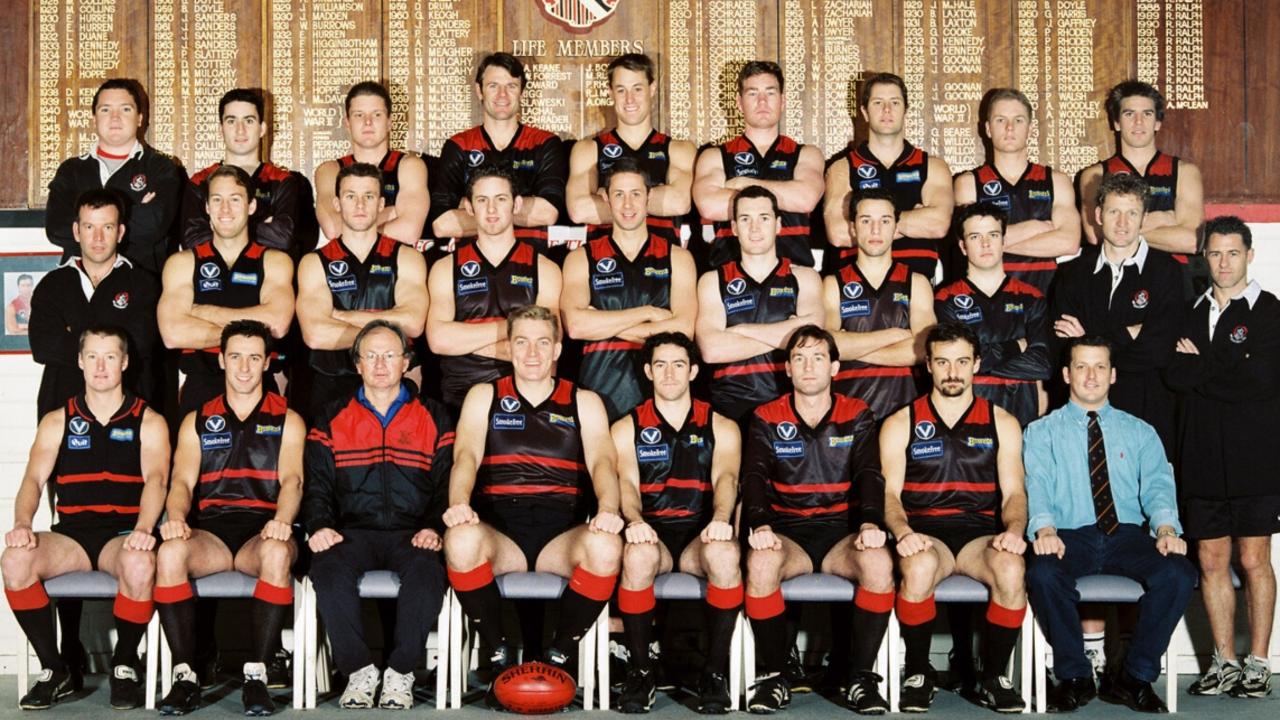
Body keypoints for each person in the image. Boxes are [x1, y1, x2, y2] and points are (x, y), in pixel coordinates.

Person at [443, 305, 623, 691]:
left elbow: (604, 463)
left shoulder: (584, 400)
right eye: (521, 342)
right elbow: (466, 456)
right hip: (501, 531)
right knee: (460, 540)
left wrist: (608, 508)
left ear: (558, 349)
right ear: (508, 347)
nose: (532, 353)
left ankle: (559, 653)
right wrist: (459, 502)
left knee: (606, 546)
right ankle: (498, 651)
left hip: (560, 533)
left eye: (543, 343)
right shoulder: (484, 395)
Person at [1023, 337, 1196, 714]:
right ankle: (1074, 677)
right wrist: (1045, 530)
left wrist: (1166, 529)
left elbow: (1157, 486)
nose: (1091, 376)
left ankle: (1134, 677)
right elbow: (1037, 484)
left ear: (1113, 375)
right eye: (1082, 366)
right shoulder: (1040, 432)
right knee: (1043, 574)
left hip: (1126, 536)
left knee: (1179, 573)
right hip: (1069, 535)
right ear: (1066, 374)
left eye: (1100, 367)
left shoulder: (1141, 431)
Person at [2, 326, 169, 710]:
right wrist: (23, 523)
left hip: (123, 533)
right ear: (79, 361)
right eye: (92, 356)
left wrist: (145, 528)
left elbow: (158, 480)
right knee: (14, 560)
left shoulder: (149, 420)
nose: (100, 366)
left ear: (124, 363)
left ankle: (124, 664)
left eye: (110, 357)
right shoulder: (58, 419)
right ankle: (55, 668)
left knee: (141, 563)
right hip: (73, 535)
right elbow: (32, 478)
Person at [152, 320, 303, 716]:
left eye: (254, 358)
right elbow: (182, 481)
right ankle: (186, 675)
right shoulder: (197, 419)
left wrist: (283, 520)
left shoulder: (289, 418)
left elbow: (293, 481)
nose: (244, 368)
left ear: (268, 363)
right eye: (235, 357)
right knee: (169, 555)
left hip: (264, 530)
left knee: (275, 554)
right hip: (213, 534)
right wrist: (175, 517)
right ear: (220, 360)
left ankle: (257, 675)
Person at [740, 325, 893, 715]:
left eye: (818, 358)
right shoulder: (765, 416)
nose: (808, 367)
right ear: (787, 369)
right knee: (760, 563)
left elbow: (870, 474)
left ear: (835, 367)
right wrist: (759, 525)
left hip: (841, 532)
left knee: (877, 562)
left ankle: (860, 678)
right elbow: (754, 476)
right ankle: (774, 677)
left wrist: (872, 523)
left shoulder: (858, 413)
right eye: (799, 358)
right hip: (787, 531)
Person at [303, 320, 454, 710]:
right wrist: (320, 525)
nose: (381, 364)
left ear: (406, 362)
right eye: (370, 356)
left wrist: (434, 526)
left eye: (390, 355)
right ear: (357, 364)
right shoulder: (331, 416)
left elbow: (448, 483)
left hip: (412, 533)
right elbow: (316, 482)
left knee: (427, 573)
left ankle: (401, 672)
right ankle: (359, 671)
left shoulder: (435, 416)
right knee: (326, 568)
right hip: (353, 532)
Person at [879, 322, 1029, 713]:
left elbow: (1014, 493)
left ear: (977, 364)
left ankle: (993, 676)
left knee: (1011, 568)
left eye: (962, 361)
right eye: (943, 362)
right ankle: (917, 672)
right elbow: (889, 494)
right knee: (917, 566)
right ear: (927, 364)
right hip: (927, 534)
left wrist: (1014, 529)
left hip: (981, 534)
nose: (952, 372)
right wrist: (902, 531)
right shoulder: (900, 422)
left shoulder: (1002, 422)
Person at [1166, 216, 1280, 699]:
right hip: (1202, 456)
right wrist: (1225, 366)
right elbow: (1174, 374)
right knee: (1211, 558)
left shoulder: (1270, 311)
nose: (1224, 262)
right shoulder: (1189, 314)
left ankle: (1258, 661)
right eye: (1215, 253)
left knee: (1253, 557)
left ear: (1249, 255)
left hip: (1257, 455)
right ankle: (1225, 662)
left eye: (1233, 252)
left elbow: (1259, 381)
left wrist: (1202, 366)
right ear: (1204, 257)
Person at [611, 333, 742, 713]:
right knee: (636, 557)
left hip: (700, 532)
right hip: (653, 532)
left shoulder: (721, 425)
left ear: (694, 371)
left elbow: (726, 480)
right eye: (661, 365)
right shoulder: (626, 427)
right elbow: (627, 486)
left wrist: (720, 519)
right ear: (649, 371)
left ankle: (714, 673)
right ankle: (640, 671)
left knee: (723, 556)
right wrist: (633, 520)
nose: (670, 374)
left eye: (679, 364)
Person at [1050, 173, 1181, 455]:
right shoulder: (1072, 274)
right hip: (1084, 413)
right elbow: (1063, 348)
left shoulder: (1166, 271)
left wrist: (1089, 340)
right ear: (1098, 214)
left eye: (1132, 213)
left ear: (1144, 217)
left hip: (1147, 409)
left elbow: (1159, 350)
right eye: (1114, 212)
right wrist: (1128, 333)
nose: (1122, 223)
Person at [562, 159, 698, 421]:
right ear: (605, 198)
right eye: (619, 195)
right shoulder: (581, 258)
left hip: (661, 392)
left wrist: (602, 321)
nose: (627, 204)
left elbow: (683, 330)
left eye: (636, 194)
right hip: (599, 391)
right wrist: (647, 312)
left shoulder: (677, 257)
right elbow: (577, 326)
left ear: (649, 196)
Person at [158, 165, 295, 422]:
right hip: (201, 387)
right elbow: (172, 333)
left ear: (251, 206)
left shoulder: (275, 262)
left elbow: (277, 324)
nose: (225, 209)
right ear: (206, 207)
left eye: (235, 200)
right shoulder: (182, 263)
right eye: (217, 200)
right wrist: (250, 334)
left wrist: (206, 313)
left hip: (258, 384)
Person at [296, 163, 428, 423]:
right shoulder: (314, 262)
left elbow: (413, 323)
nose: (359, 205)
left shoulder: (407, 257)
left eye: (368, 196)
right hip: (331, 388)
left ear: (380, 204)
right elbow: (315, 334)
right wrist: (388, 336)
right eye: (350, 196)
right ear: (336, 203)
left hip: (391, 388)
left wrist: (342, 316)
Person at [426, 166, 562, 409]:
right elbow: (438, 340)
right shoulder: (446, 267)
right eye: (482, 200)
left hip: (525, 398)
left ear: (516, 204)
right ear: (468, 207)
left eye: (500, 199)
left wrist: (466, 342)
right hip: (460, 396)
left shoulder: (545, 269)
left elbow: (547, 348)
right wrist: (517, 334)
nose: (491, 209)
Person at [695, 186, 823, 423]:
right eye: (745, 219)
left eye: (764, 218)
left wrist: (741, 331)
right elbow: (712, 350)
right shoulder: (713, 280)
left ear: (778, 225)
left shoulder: (804, 277)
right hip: (729, 409)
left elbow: (811, 339)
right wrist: (787, 331)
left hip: (790, 407)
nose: (755, 228)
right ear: (734, 227)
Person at [29, 191, 161, 418]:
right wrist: (112, 341)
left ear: (120, 232)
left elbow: (141, 344)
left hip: (129, 412)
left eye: (107, 227)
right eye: (90, 227)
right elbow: (43, 347)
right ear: (76, 231)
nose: (98, 238)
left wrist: (73, 334)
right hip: (62, 410)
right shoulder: (52, 285)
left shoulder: (144, 284)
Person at [45, 78, 185, 276]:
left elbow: (154, 226)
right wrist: (133, 213)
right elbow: (56, 229)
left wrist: (88, 226)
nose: (115, 117)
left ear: (140, 118)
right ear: (94, 119)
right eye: (105, 110)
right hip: (78, 286)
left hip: (140, 286)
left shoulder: (162, 168)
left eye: (125, 109)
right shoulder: (71, 170)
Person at [691, 61, 824, 268]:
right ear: (739, 102)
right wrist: (786, 193)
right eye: (753, 93)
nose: (762, 101)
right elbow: (709, 207)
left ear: (783, 101)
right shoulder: (715, 155)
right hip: (730, 276)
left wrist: (741, 183)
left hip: (794, 273)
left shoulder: (806, 154)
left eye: (770, 93)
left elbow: (805, 200)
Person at [431, 53, 567, 254]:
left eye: (511, 86)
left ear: (521, 91)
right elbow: (442, 224)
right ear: (479, 91)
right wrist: (523, 206)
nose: (502, 95)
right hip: (473, 266)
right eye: (493, 86)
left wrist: (474, 207)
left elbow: (547, 213)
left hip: (533, 260)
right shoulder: (459, 145)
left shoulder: (545, 143)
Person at [823, 73, 953, 282]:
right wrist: (912, 219)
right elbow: (838, 233)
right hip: (856, 293)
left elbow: (938, 224)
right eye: (878, 103)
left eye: (894, 102)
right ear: (864, 112)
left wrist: (868, 223)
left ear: (905, 110)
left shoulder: (933, 167)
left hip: (916, 286)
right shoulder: (842, 168)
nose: (887, 110)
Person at [952, 88, 1079, 294]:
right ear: (988, 128)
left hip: (1046, 296)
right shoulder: (968, 183)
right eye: (1001, 120)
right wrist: (1035, 227)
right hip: (987, 299)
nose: (1010, 128)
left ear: (1030, 128)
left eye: (1018, 120)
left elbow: (1069, 242)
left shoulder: (1056, 180)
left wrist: (989, 242)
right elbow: (967, 245)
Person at [934, 203, 1050, 427]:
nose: (986, 244)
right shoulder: (945, 299)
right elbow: (954, 365)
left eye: (993, 235)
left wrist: (976, 357)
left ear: (1004, 241)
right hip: (964, 415)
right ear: (963, 246)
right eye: (975, 237)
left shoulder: (1032, 297)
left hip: (1021, 414)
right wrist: (1016, 346)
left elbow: (1041, 365)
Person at [823, 189, 934, 421]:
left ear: (896, 229)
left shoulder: (916, 283)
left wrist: (852, 347)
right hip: (847, 414)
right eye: (866, 221)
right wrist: (895, 335)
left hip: (906, 411)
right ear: (853, 227)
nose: (875, 230)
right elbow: (828, 348)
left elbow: (923, 350)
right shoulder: (833, 284)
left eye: (885, 221)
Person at [566, 53, 695, 246]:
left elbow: (679, 202)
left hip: (661, 265)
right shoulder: (588, 149)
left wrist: (612, 196)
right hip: (606, 268)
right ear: (610, 93)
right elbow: (578, 210)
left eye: (637, 89)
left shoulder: (679, 149)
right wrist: (655, 194)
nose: (629, 99)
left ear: (652, 89)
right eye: (621, 90)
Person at [1079, 82, 1204, 270]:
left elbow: (1191, 240)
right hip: (1116, 272)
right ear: (1116, 123)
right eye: (1129, 114)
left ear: (1158, 122)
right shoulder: (1095, 175)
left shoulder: (1185, 172)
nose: (1139, 122)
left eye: (1147, 114)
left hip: (1172, 277)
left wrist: (1119, 231)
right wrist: (1163, 219)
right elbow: (1095, 234)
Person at [181, 88, 301, 253]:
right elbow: (193, 239)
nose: (240, 130)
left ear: (262, 129)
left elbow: (284, 238)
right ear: (220, 129)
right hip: (213, 275)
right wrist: (261, 224)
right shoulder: (200, 181)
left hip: (266, 276)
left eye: (249, 121)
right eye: (231, 121)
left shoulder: (282, 181)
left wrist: (223, 224)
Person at [314, 82, 429, 245]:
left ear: (389, 122)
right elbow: (333, 229)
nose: (368, 122)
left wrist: (355, 226)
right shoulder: (330, 170)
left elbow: (409, 231)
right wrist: (391, 212)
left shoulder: (410, 166)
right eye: (359, 115)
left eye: (376, 115)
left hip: (396, 266)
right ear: (347, 123)